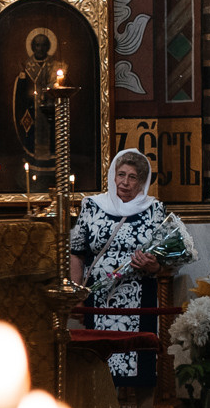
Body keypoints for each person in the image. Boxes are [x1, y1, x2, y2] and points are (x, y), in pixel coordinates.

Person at [68, 149, 196, 386]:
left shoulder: (154, 208)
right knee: (99, 355)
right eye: (121, 174)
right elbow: (77, 253)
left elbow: (161, 258)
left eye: (133, 177)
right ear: (112, 176)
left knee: (141, 354)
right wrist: (77, 296)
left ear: (142, 182)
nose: (125, 182)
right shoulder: (92, 205)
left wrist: (153, 265)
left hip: (139, 293)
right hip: (99, 296)